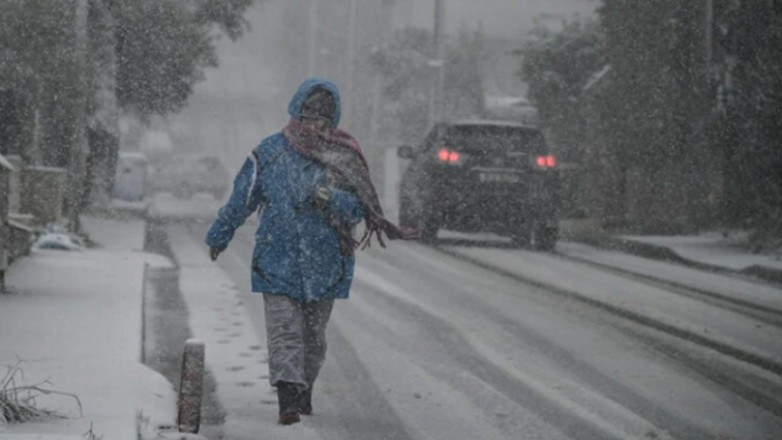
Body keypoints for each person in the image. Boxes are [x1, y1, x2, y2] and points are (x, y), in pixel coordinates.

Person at [204, 78, 416, 425]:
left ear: (333, 119)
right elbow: (242, 198)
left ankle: (303, 389)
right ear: (296, 111)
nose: (316, 122)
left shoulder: (344, 159)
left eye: (324, 115)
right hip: (277, 259)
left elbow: (358, 210)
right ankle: (288, 396)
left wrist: (333, 198)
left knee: (313, 339)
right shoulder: (269, 154)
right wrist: (220, 234)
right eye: (310, 113)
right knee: (284, 332)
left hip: (325, 263)